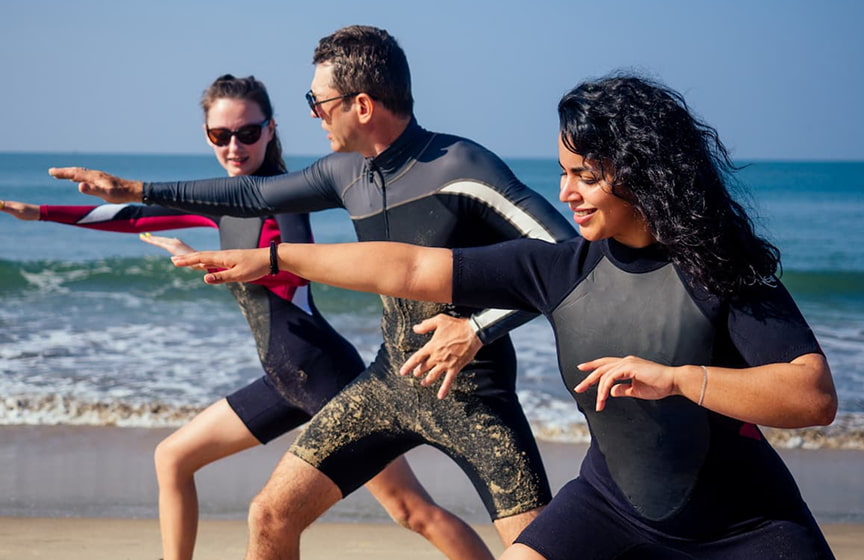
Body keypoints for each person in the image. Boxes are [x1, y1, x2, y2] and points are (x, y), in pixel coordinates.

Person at [170, 74, 839, 559]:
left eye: (585, 175)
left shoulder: (719, 268)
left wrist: (675, 378)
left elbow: (812, 396)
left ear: (641, 173)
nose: (566, 193)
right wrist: (278, 257)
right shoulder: (563, 268)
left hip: (745, 528)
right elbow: (406, 268)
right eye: (562, 171)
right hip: (610, 509)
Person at [49, 26, 577, 558]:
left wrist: (474, 329)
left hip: (473, 396)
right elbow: (252, 193)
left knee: (535, 551)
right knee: (271, 515)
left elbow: (566, 260)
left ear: (362, 105)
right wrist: (136, 191)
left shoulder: (460, 167)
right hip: (389, 382)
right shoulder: (347, 173)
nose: (313, 114)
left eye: (318, 101)